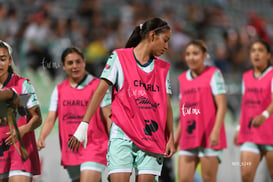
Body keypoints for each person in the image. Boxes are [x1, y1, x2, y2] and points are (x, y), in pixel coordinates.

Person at [68, 17, 175, 182]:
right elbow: (99, 91)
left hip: (152, 137)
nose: (167, 46)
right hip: (122, 135)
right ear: (152, 35)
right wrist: (84, 125)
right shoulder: (119, 57)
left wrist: (171, 138)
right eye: (165, 40)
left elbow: (166, 106)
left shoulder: (162, 68)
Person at [37, 47, 111, 182]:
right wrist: (42, 136)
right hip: (71, 149)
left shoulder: (97, 86)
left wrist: (114, 141)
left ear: (84, 62)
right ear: (64, 66)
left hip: (94, 146)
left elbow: (108, 115)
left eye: (78, 62)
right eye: (70, 63)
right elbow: (51, 118)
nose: (75, 66)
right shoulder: (59, 90)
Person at [174, 39, 227, 182]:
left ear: (204, 55)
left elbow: (222, 105)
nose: (191, 57)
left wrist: (215, 131)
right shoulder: (182, 79)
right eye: (188, 54)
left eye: (195, 53)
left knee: (208, 178)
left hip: (209, 135)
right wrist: (176, 138)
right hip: (188, 136)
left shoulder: (214, 74)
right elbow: (183, 113)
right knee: (183, 179)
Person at [0, 40, 42, 182]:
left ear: (10, 61)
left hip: (20, 150)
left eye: (3, 59)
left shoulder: (23, 84)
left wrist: (23, 130)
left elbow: (37, 118)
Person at [233, 39, 273, 182]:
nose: (256, 54)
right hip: (251, 133)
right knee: (246, 176)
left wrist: (265, 114)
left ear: (269, 55)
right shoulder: (246, 77)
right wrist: (239, 127)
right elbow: (245, 105)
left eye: (260, 50)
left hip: (270, 134)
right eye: (253, 51)